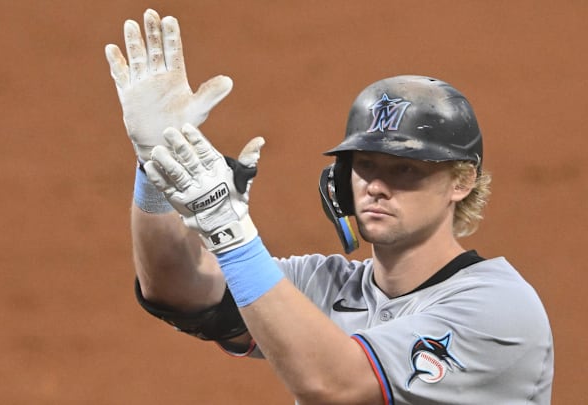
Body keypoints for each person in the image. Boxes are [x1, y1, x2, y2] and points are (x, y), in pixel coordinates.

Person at [105, 9, 554, 405]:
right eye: (366, 166)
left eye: (405, 170)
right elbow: (174, 287)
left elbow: (334, 385)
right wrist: (155, 168)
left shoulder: (498, 307)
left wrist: (231, 232)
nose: (376, 185)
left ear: (461, 181)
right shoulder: (324, 285)